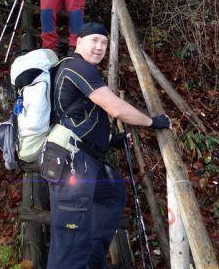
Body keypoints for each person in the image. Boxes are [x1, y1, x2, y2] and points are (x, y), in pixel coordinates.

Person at [46, 22, 171, 269]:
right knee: (69, 243)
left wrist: (110, 140)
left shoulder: (75, 70)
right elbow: (115, 108)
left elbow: (78, 116)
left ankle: (93, 262)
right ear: (78, 42)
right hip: (74, 164)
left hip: (86, 159)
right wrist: (152, 122)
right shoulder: (78, 67)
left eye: (104, 43)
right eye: (94, 40)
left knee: (113, 193)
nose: (100, 47)